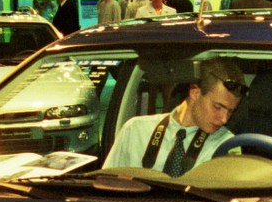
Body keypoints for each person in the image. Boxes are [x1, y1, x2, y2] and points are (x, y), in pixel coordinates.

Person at [104, 58, 245, 172]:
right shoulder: (135, 130)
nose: (224, 119)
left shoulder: (227, 145)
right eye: (218, 107)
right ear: (195, 92)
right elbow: (107, 184)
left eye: (230, 111)